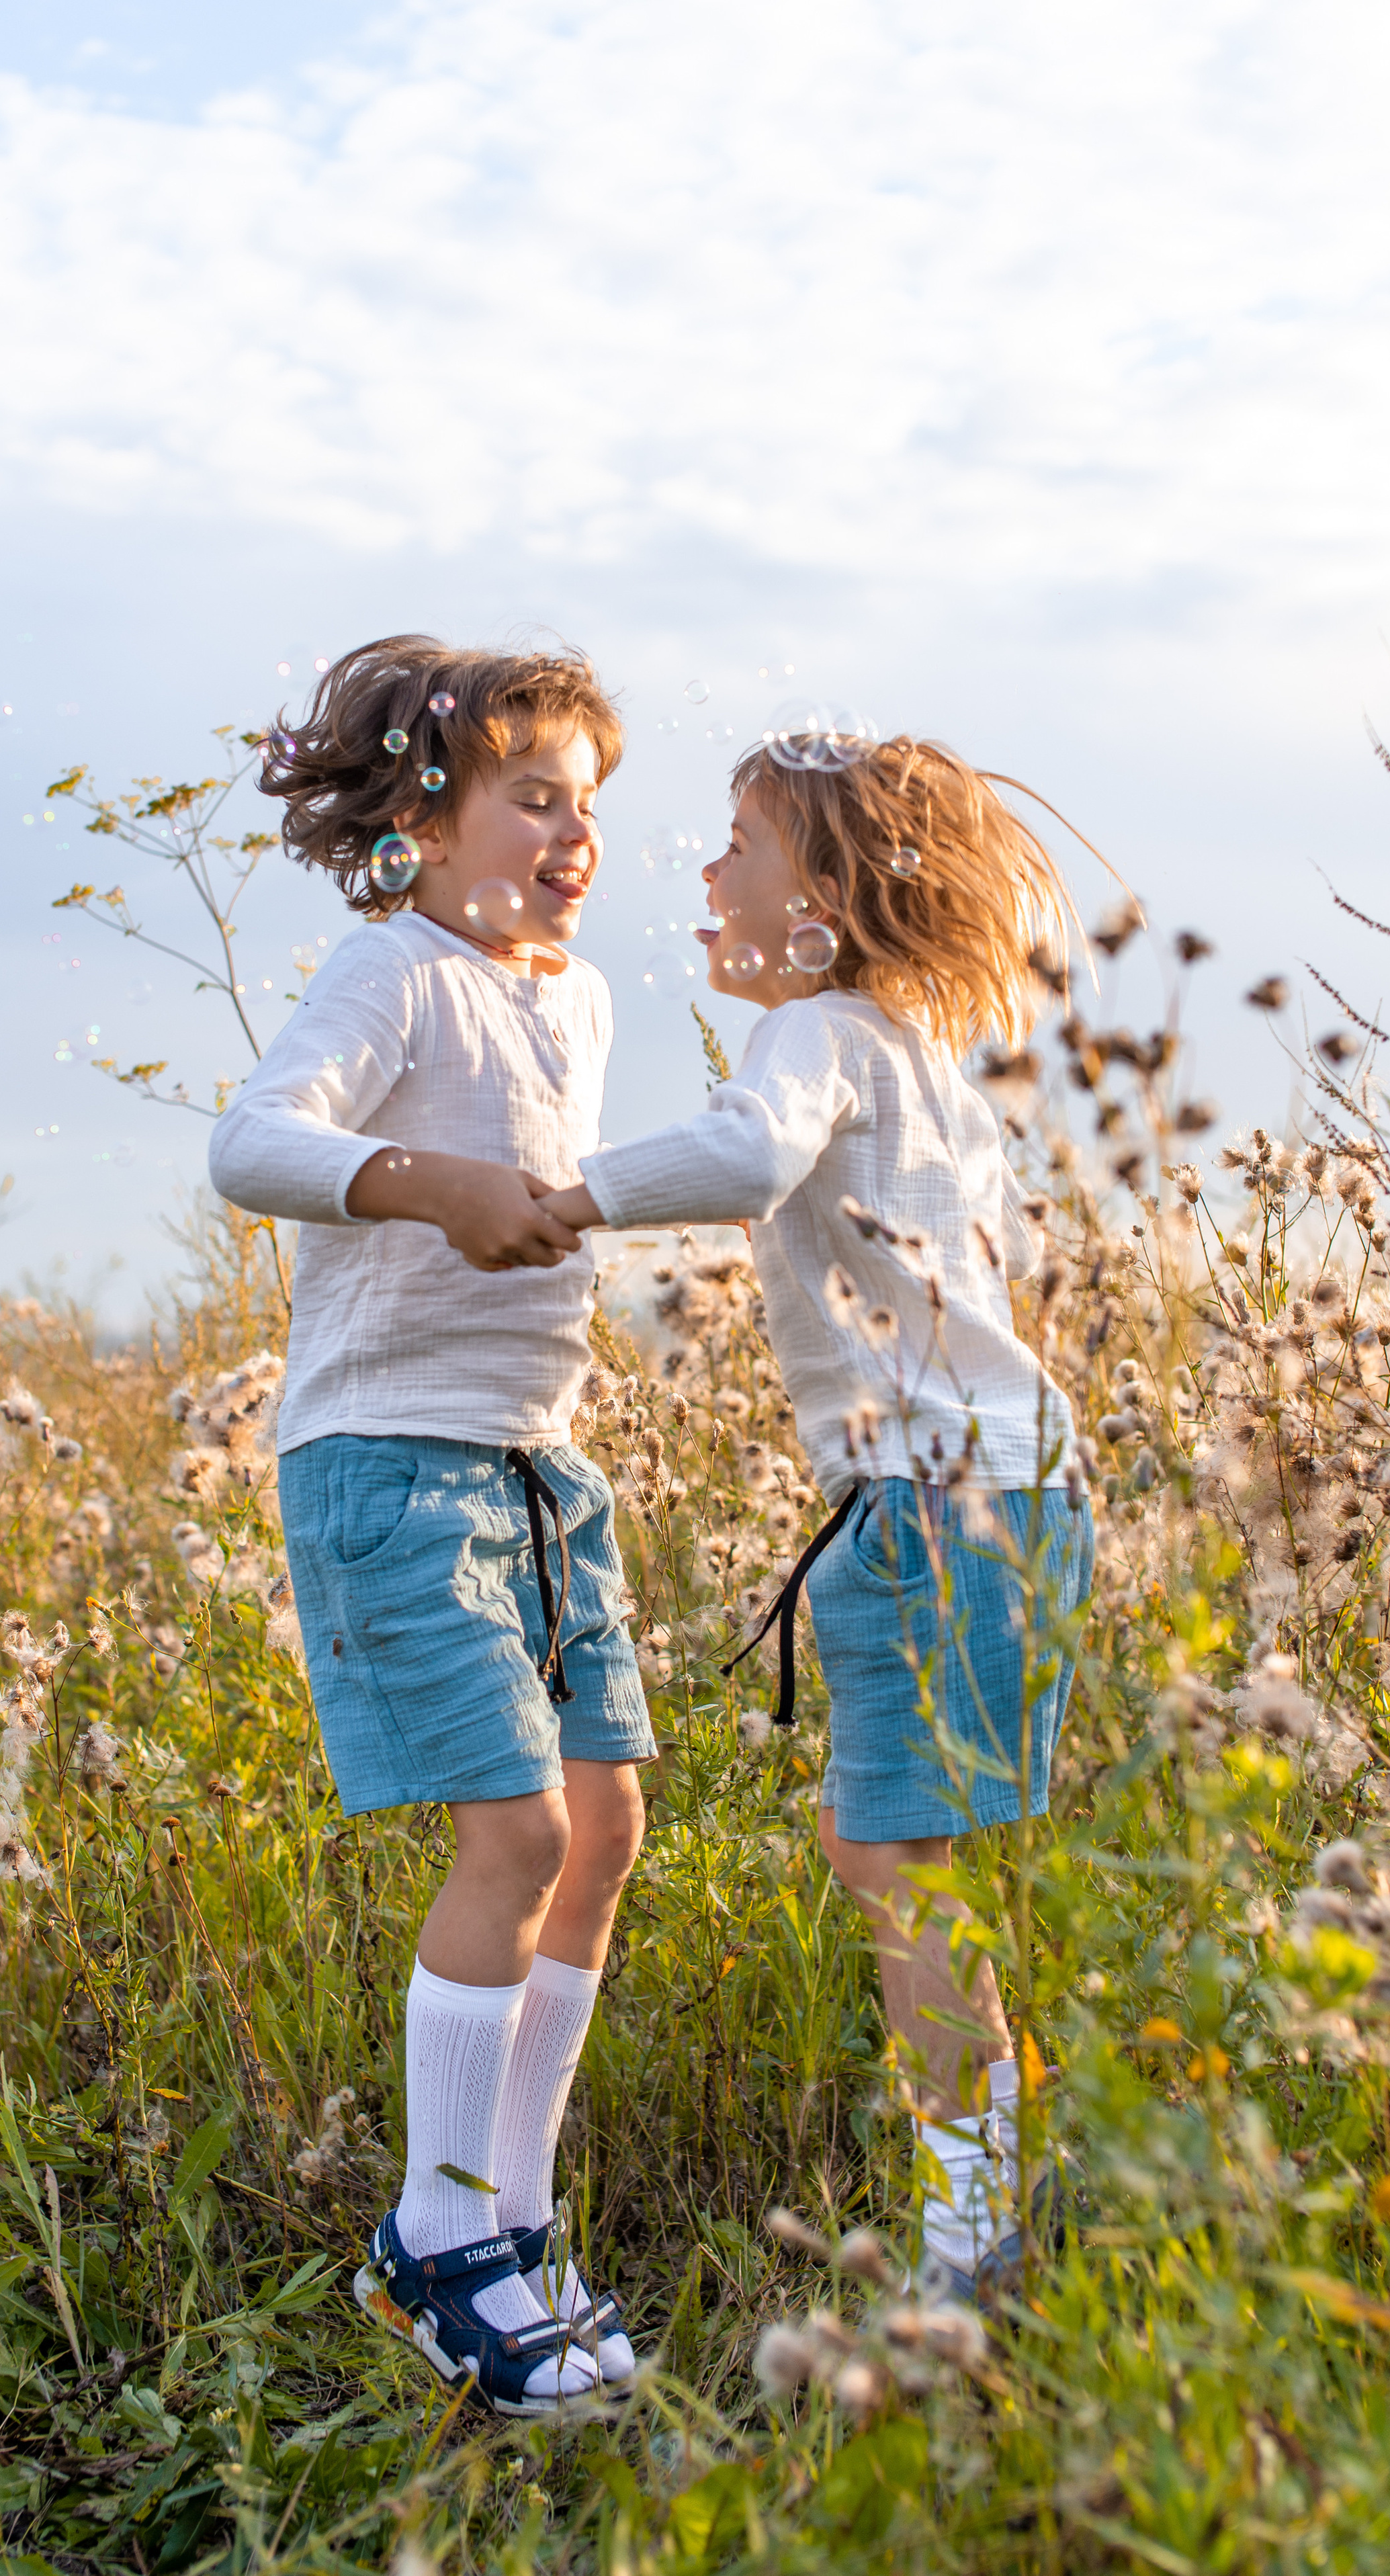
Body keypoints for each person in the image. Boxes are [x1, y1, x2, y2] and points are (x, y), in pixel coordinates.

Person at [538, 729, 1096, 2307]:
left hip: (929, 1497)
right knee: (921, 1860)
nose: (703, 873)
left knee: (891, 1857)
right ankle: (995, 2189)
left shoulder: (820, 1033)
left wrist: (562, 1195)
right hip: (1002, 1486)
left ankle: (974, 2239)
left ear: (827, 897)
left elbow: (737, 1155)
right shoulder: (910, 1051)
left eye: (736, 843)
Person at [208, 636, 654, 2413]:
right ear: (417, 824)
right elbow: (253, 1144)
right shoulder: (391, 971)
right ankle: (443, 2241)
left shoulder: (585, 998)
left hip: (540, 1463)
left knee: (605, 1829)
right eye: (535, 796)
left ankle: (512, 2226)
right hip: (388, 1456)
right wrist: (429, 1184)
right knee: (518, 1830)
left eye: (590, 804)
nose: (573, 833)